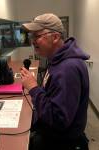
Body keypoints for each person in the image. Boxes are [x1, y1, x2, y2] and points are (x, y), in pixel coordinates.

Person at [20, 13, 89, 150]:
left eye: (37, 36)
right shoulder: (56, 60)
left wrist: (33, 88)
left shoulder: (68, 69)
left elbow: (59, 120)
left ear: (55, 37)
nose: (32, 41)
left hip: (62, 143)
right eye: (31, 36)